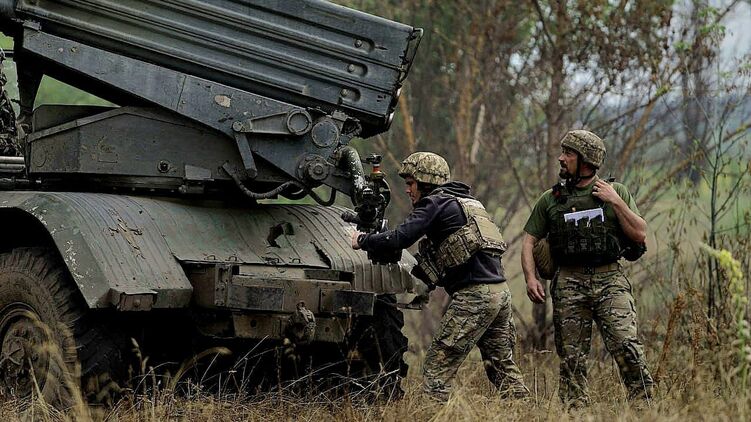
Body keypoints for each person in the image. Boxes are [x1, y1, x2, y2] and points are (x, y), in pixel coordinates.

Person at [351, 151, 529, 401]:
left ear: (426, 182)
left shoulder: (434, 203)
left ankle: (433, 413)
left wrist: (362, 240)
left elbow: (400, 238)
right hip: (501, 294)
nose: (408, 190)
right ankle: (522, 409)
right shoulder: (469, 203)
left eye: (411, 183)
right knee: (501, 366)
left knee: (438, 364)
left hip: (475, 296)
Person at [521, 130, 654, 406]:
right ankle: (575, 411)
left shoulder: (616, 193)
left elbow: (640, 233)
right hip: (569, 282)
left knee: (627, 346)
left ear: (586, 160)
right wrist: (531, 278)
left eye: (568, 153)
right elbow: (529, 240)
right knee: (571, 357)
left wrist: (614, 200)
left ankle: (644, 406)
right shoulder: (551, 199)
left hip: (610, 279)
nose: (561, 158)